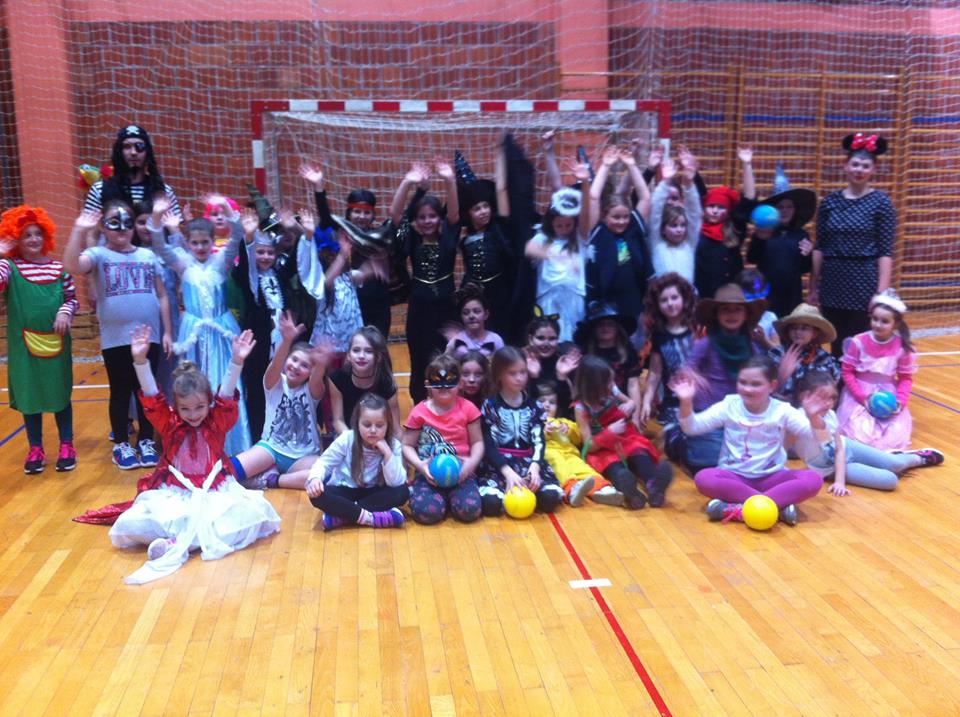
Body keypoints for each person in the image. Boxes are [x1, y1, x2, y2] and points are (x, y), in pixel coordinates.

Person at [107, 325, 280, 584]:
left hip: (214, 491)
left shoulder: (216, 422)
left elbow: (226, 396)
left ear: (209, 402)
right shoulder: (170, 424)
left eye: (200, 407)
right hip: (176, 492)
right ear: (176, 407)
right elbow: (152, 399)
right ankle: (185, 540)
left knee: (241, 519)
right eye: (185, 409)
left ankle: (176, 543)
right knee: (136, 522)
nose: (193, 414)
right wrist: (140, 361)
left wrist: (236, 361)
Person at [64, 202, 173, 470]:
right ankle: (122, 443)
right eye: (114, 222)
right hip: (115, 339)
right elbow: (72, 265)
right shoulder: (98, 255)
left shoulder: (147, 256)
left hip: (148, 337)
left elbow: (162, 295)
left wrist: (168, 331)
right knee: (120, 390)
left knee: (147, 390)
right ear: (103, 227)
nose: (121, 228)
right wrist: (79, 230)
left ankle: (146, 440)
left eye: (127, 222)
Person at [150, 195, 252, 454]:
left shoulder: (222, 262)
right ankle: (193, 447)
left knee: (224, 382)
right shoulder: (182, 264)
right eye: (194, 242)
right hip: (193, 333)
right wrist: (156, 216)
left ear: (212, 240)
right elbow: (159, 244)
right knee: (192, 385)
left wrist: (225, 206)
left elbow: (237, 235)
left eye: (205, 241)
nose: (200, 247)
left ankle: (230, 447)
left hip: (220, 331)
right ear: (188, 243)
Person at [674, 355, 827, 526]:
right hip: (735, 478)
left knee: (813, 479)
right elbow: (691, 428)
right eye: (742, 382)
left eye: (756, 384)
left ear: (772, 386)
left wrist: (814, 417)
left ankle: (737, 509)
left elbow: (821, 438)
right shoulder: (729, 405)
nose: (747, 389)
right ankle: (775, 507)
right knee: (704, 478)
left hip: (773, 478)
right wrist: (686, 401)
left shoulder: (782, 410)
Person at [0, 206, 78, 473]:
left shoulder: (59, 269)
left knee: (60, 393)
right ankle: (35, 448)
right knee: (29, 394)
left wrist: (65, 312)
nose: (33, 239)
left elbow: (72, 299)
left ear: (46, 236)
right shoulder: (9, 267)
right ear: (16, 239)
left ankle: (67, 444)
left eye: (37, 234)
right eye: (26, 235)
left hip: (57, 342)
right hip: (23, 346)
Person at [810, 133, 895, 356]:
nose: (859, 170)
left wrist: (881, 293)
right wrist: (813, 287)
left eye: (865, 166)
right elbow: (820, 247)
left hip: (863, 282)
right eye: (855, 164)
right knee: (836, 343)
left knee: (860, 344)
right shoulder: (829, 202)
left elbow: (885, 251)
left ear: (873, 170)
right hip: (833, 283)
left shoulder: (882, 203)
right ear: (845, 166)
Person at [795, 371, 943, 493]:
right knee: (890, 480)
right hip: (830, 469)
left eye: (831, 398)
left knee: (895, 463)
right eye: (822, 398)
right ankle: (891, 459)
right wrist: (838, 479)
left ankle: (918, 458)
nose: (828, 404)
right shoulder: (796, 418)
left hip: (848, 447)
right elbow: (815, 432)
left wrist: (840, 482)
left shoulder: (830, 415)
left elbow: (839, 449)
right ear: (805, 396)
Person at [230, 311, 330, 490]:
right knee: (228, 470)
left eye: (305, 365)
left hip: (303, 457)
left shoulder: (312, 390)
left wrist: (321, 363)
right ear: (286, 359)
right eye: (294, 360)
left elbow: (317, 379)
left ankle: (273, 479)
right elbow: (276, 365)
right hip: (270, 449)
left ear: (310, 372)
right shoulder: (274, 382)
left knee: (328, 474)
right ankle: (270, 473)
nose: (296, 366)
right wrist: (286, 341)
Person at [676, 284, 766, 472]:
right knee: (708, 463)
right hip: (709, 412)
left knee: (751, 461)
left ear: (746, 315)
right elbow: (686, 368)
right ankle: (677, 441)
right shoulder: (707, 342)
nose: (731, 314)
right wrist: (692, 374)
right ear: (716, 314)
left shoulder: (752, 346)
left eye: (737, 310)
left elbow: (763, 377)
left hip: (739, 415)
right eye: (725, 310)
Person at [391, 162, 460, 403]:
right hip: (419, 311)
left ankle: (448, 402)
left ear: (439, 219)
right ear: (417, 221)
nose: (428, 221)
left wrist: (450, 180)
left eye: (432, 216)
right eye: (422, 217)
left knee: (447, 356)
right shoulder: (412, 239)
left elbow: (454, 215)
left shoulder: (448, 237)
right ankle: (421, 405)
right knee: (419, 358)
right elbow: (396, 216)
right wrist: (407, 182)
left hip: (446, 309)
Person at [301, 160, 394, 336]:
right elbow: (326, 218)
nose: (362, 216)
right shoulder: (341, 234)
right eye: (357, 211)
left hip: (377, 305)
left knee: (377, 347)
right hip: (347, 305)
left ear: (373, 215)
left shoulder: (379, 237)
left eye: (367, 212)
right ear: (349, 213)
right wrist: (319, 187)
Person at [574, 355, 673, 510]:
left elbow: (630, 402)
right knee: (613, 465)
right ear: (594, 386)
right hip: (602, 447)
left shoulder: (611, 389)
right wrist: (608, 433)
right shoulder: (581, 408)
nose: (611, 384)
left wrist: (631, 405)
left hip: (624, 437)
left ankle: (654, 487)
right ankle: (631, 494)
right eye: (607, 382)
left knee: (639, 452)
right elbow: (588, 445)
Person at [476, 347, 563, 516]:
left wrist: (535, 467)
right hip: (500, 465)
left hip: (528, 463)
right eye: (512, 373)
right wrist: (507, 472)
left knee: (550, 499)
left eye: (523, 372)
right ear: (499, 375)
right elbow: (489, 443)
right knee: (491, 504)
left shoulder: (535, 406)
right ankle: (508, 494)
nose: (520, 378)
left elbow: (539, 440)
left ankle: (528, 493)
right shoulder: (491, 405)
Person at [305, 393, 409, 531]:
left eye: (379, 425)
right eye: (367, 425)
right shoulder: (347, 439)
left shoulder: (393, 445)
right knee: (316, 496)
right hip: (346, 490)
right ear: (357, 423)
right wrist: (315, 479)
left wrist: (387, 453)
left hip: (374, 493)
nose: (373, 430)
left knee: (402, 492)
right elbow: (324, 463)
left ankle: (344, 515)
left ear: (387, 425)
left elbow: (397, 483)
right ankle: (372, 519)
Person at [402, 354, 484, 524]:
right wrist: (420, 465)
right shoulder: (419, 412)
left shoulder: (468, 409)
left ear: (460, 384)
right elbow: (406, 445)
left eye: (450, 383)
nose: (444, 387)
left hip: (462, 473)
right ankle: (438, 500)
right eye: (438, 383)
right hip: (428, 475)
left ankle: (451, 500)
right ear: (428, 384)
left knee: (470, 511)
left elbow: (478, 442)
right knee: (426, 514)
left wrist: (471, 464)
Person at [585, 146, 653, 346]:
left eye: (625, 217)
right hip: (605, 304)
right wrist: (606, 166)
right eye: (615, 217)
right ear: (603, 216)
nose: (621, 221)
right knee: (607, 346)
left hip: (633, 301)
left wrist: (631, 165)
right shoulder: (597, 231)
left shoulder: (633, 228)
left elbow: (645, 197)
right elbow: (594, 197)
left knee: (633, 347)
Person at [837, 289, 917, 450]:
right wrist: (861, 397)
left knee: (894, 436)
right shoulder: (858, 341)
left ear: (896, 324)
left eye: (885, 321)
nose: (878, 324)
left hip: (889, 395)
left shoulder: (902, 347)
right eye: (875, 319)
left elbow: (905, 378)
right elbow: (847, 371)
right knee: (858, 434)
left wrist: (900, 401)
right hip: (859, 393)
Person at [523, 164, 592, 342]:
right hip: (548, 297)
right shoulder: (543, 238)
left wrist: (585, 182)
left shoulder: (579, 238)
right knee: (548, 337)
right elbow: (529, 249)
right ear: (550, 223)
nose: (564, 229)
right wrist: (556, 256)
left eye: (568, 225)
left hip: (573, 297)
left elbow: (586, 213)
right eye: (559, 225)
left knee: (573, 339)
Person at [639, 274, 698, 460]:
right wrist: (646, 401)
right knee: (678, 444)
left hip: (702, 400)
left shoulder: (697, 327)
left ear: (684, 298)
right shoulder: (658, 334)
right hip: (674, 404)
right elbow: (655, 373)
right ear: (657, 305)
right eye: (664, 300)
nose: (670, 304)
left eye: (674, 297)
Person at [746, 168, 816, 317]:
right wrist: (760, 239)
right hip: (766, 294)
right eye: (780, 207)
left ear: (794, 210)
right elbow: (751, 258)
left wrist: (807, 254)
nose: (785, 210)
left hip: (792, 294)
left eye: (789, 207)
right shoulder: (764, 232)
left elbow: (805, 268)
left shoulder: (801, 235)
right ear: (773, 210)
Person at [538, 382, 622, 507]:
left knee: (583, 468)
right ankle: (572, 489)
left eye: (552, 402)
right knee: (559, 466)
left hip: (570, 455)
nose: (547, 405)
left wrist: (568, 430)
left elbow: (578, 438)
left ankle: (602, 489)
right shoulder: (534, 423)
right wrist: (542, 431)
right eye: (541, 401)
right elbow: (528, 439)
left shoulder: (563, 421)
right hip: (548, 454)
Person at [693, 145, 755, 300]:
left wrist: (747, 164)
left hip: (729, 297)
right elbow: (698, 192)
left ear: (728, 212)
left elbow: (748, 199)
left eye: (721, 207)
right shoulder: (697, 229)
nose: (715, 211)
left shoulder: (734, 228)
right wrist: (692, 172)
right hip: (703, 297)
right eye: (711, 206)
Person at [84, 124, 181, 217]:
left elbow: (175, 226)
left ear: (147, 152)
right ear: (119, 152)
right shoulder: (100, 190)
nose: (133, 152)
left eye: (140, 146)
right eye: (127, 147)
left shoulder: (164, 191)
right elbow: (89, 226)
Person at [574, 303, 642, 425]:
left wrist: (635, 419)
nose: (605, 328)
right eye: (601, 325)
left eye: (610, 324)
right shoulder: (585, 354)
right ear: (594, 329)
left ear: (617, 328)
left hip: (621, 407)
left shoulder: (628, 353)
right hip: (592, 410)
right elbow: (580, 386)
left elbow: (633, 385)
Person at [327, 326, 401, 436]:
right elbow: (338, 420)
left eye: (368, 351)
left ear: (378, 357)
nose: (361, 356)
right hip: (348, 437)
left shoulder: (386, 384)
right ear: (348, 355)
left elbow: (395, 428)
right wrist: (354, 442)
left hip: (378, 437)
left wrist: (402, 445)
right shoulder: (337, 379)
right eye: (356, 350)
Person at [767, 303, 840, 406]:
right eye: (793, 328)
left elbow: (832, 387)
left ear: (814, 333)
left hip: (812, 407)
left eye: (804, 328)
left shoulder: (825, 358)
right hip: (779, 405)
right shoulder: (776, 353)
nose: (797, 332)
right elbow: (765, 387)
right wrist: (781, 376)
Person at [647, 150, 702, 281]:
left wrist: (689, 184)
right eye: (673, 225)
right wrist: (665, 182)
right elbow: (655, 212)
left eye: (682, 225)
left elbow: (694, 214)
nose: (679, 230)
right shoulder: (656, 243)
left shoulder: (689, 243)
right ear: (662, 229)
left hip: (687, 293)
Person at [525, 316, 580, 420]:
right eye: (540, 338)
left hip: (562, 424)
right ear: (531, 339)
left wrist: (562, 377)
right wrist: (533, 377)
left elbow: (570, 408)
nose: (546, 344)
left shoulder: (566, 362)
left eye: (552, 339)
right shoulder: (520, 361)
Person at [444, 283, 504, 358]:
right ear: (461, 316)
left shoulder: (496, 339)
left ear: (486, 314)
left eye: (477, 311)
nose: (471, 316)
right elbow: (442, 365)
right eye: (466, 313)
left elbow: (505, 364)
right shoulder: (456, 340)